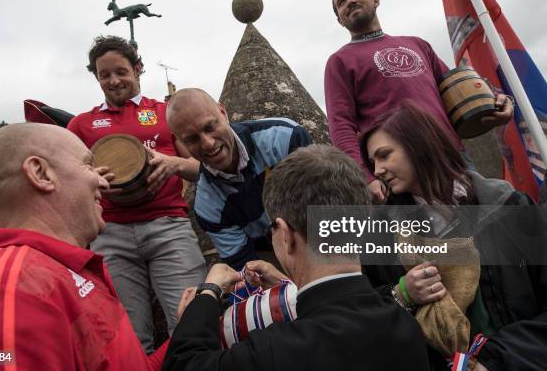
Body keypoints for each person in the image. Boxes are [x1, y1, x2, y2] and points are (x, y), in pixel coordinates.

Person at [162, 144, 431, 371]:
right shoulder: (409, 329)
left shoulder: (275, 352)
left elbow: (184, 363)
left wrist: (206, 297)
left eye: (272, 231)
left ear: (285, 234)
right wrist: (288, 287)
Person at [0, 123, 169, 370]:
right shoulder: (1, 294)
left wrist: (196, 322)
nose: (103, 183)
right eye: (88, 165)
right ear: (41, 173)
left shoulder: (63, 272)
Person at [359, 104, 547, 370]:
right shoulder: (381, 235)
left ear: (419, 145)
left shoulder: (510, 206)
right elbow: (362, 315)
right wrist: (401, 294)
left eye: (384, 156)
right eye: (373, 162)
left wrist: (494, 361)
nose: (378, 170)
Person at [67, 36, 206, 353]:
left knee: (192, 326)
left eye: (121, 71)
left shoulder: (166, 112)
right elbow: (68, 180)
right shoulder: (81, 125)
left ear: (138, 68)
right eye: (105, 75)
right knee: (128, 341)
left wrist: (172, 163)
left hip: (169, 227)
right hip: (110, 235)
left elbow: (201, 168)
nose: (113, 81)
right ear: (97, 77)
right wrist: (92, 179)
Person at [324, 0, 514, 201]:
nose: (349, 1)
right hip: (401, 169)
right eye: (341, 2)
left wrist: (497, 102)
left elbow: (457, 88)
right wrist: (366, 177)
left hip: (452, 157)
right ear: (340, 20)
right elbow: (340, 126)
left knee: (488, 228)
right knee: (438, 237)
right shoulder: (339, 61)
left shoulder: (417, 44)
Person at [166, 88, 312, 270]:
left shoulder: (284, 137)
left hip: (319, 235)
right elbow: (247, 267)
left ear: (223, 112)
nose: (208, 143)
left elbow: (333, 209)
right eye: (192, 139)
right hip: (273, 260)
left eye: (210, 127)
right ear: (179, 141)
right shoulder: (207, 207)